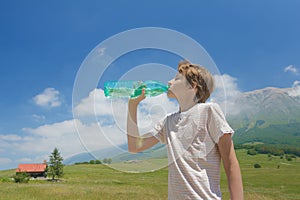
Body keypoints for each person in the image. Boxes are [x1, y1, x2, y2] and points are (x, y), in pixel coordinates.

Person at [127, 60, 244, 200]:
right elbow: (135, 146)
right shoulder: (167, 122)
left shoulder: (209, 111)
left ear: (193, 86)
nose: (169, 82)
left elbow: (230, 163)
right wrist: (132, 106)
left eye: (176, 78)